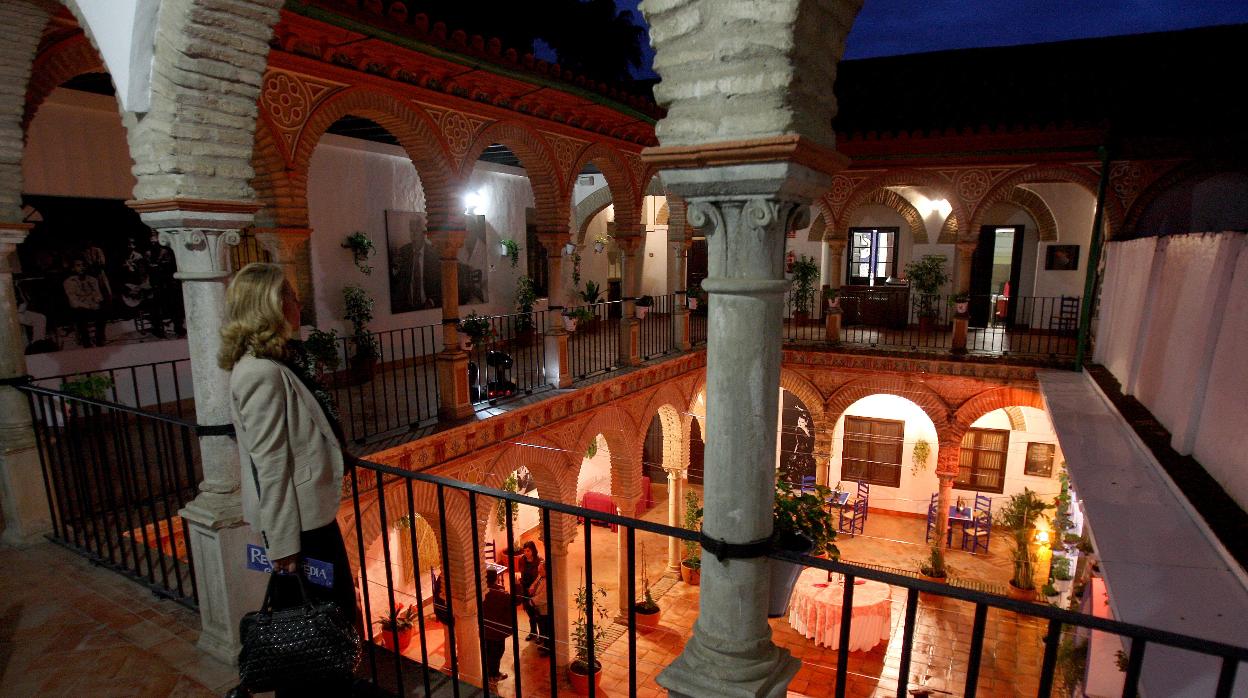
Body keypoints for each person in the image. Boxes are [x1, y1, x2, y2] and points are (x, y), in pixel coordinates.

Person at [219, 263, 357, 695]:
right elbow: (270, 465)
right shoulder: (260, 373)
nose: (299, 306)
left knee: (316, 619)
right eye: (292, 298)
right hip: (301, 528)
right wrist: (283, 547)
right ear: (273, 306)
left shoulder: (272, 363)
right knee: (317, 622)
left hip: (304, 520)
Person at [63, 259, 106, 347]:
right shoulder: (69, 282)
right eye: (78, 265)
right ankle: (86, 342)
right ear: (73, 269)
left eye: (83, 265)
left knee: (102, 312)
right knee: (79, 314)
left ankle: (99, 338)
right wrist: (88, 306)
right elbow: (73, 301)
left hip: (92, 305)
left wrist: (96, 302)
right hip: (79, 307)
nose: (82, 267)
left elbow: (98, 295)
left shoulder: (92, 279)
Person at [481, 568, 513, 684]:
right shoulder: (500, 593)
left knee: (487, 651)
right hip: (497, 630)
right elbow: (513, 602)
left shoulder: (480, 590)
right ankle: (493, 675)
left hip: (484, 628)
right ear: (496, 578)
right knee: (497, 651)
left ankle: (487, 673)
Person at [517, 541, 543, 641]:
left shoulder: (539, 560)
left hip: (535, 589)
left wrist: (533, 585)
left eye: (528, 550)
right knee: (530, 612)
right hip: (525, 589)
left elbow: (541, 575)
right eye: (524, 551)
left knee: (538, 614)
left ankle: (541, 635)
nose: (526, 553)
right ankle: (533, 632)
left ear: (533, 550)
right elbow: (521, 571)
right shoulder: (522, 560)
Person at [530, 563, 552, 656]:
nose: (538, 572)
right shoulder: (542, 575)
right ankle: (544, 644)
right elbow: (536, 581)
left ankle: (548, 649)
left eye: (540, 570)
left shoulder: (548, 582)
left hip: (545, 610)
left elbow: (543, 597)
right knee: (542, 628)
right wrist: (532, 587)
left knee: (546, 629)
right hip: (539, 609)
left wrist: (532, 601)